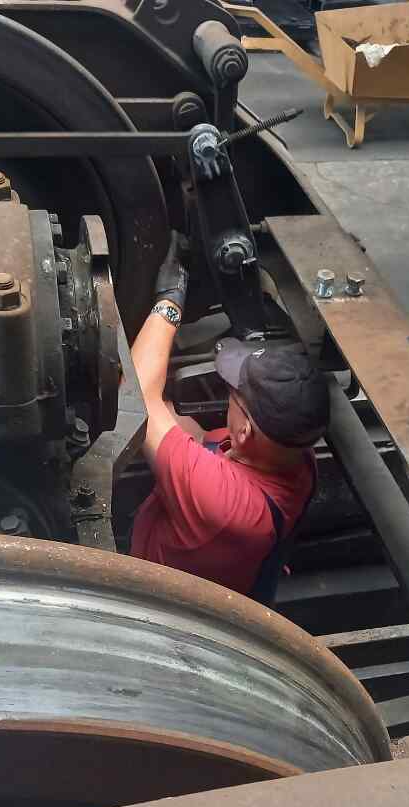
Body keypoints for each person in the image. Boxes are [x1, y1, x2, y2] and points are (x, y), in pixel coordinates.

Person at [129, 235, 330, 603]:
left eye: (233, 392)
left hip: (159, 601)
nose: (227, 392)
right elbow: (195, 440)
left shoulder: (223, 503)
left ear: (245, 430)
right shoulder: (295, 455)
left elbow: (135, 398)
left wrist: (168, 302)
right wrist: (163, 402)